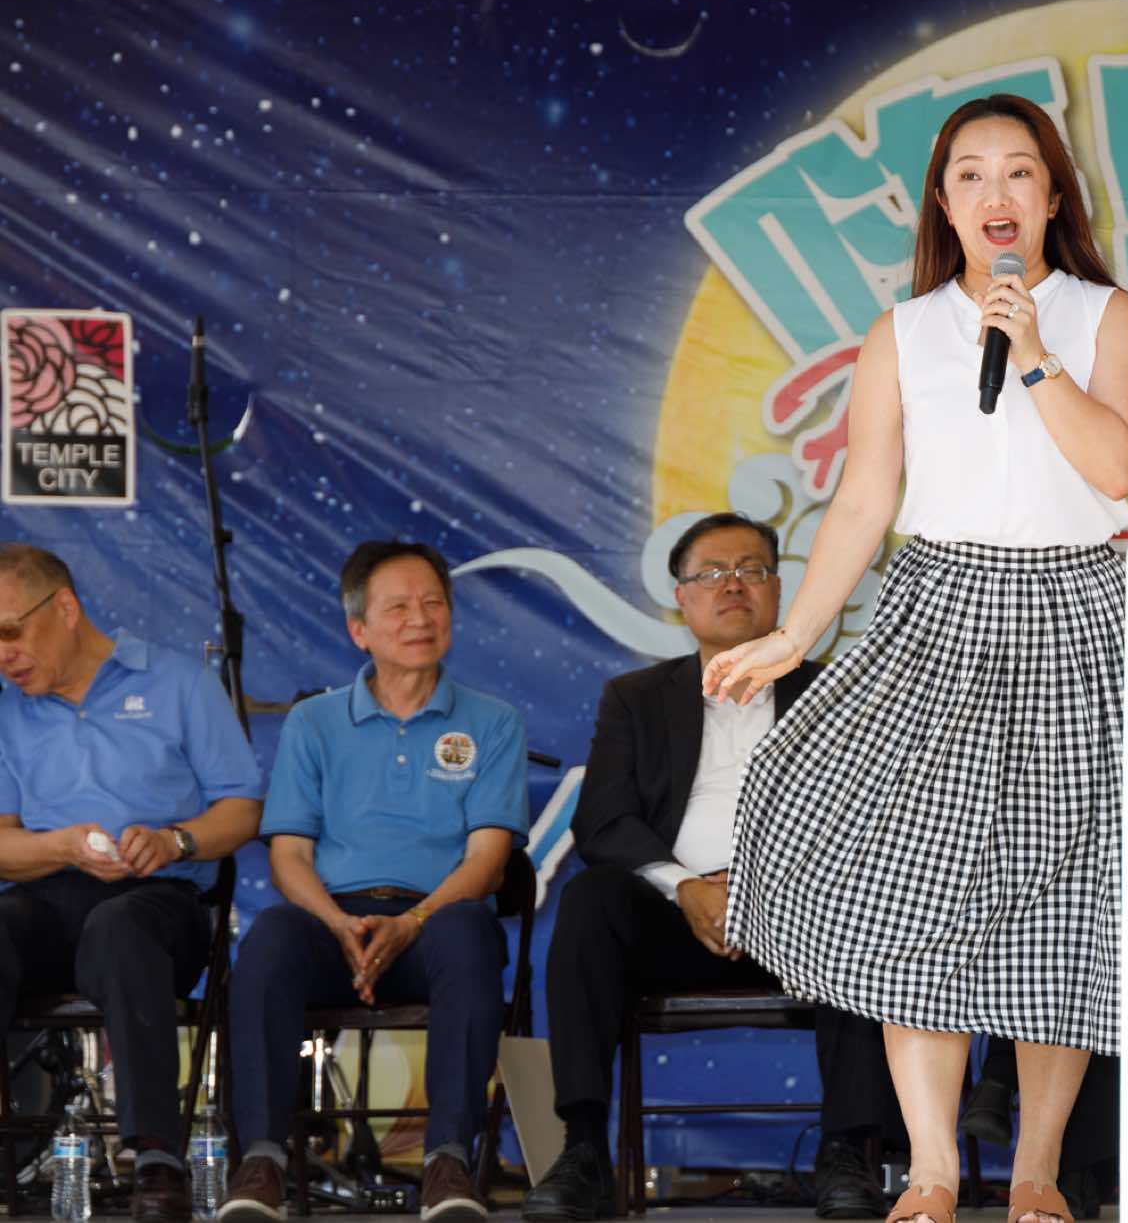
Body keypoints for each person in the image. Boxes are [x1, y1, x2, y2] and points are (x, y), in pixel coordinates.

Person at [702, 92, 1128, 1223]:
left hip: (1071, 612)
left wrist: (1035, 357)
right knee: (908, 893)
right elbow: (864, 497)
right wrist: (794, 634)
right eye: (970, 174)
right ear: (943, 202)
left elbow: (1116, 469)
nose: (994, 193)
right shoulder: (903, 332)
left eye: (1019, 172)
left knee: (1062, 904)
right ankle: (930, 1171)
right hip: (939, 611)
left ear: (1052, 198)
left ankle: (1036, 1173)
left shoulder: (1105, 315)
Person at [523, 512, 905, 1222]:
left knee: (863, 906)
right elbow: (602, 821)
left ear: (779, 589)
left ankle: (848, 1149)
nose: (733, 584)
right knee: (590, 899)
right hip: (674, 919)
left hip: (805, 918)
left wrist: (763, 888)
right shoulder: (636, 698)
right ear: (681, 597)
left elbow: (870, 820)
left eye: (751, 569)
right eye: (712, 573)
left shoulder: (836, 695)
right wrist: (687, 888)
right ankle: (583, 1148)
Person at [220, 542, 529, 1223]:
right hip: (335, 924)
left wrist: (411, 924)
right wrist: (337, 924)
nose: (421, 618)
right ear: (358, 629)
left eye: (434, 603)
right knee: (270, 939)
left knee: (469, 934)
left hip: (436, 920)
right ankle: (262, 1161)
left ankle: (448, 1162)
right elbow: (289, 855)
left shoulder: (493, 722)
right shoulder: (314, 722)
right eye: (399, 607)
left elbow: (487, 862)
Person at [0, 544, 266, 1223]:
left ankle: (155, 1158)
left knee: (120, 929)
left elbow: (243, 808)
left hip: (159, 898)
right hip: (48, 896)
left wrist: (177, 839)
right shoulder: (6, 710)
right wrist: (60, 845)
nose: (4, 655)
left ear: (65, 607)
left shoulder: (178, 682)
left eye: (10, 631)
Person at [959, 709, 1128, 1218]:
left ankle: (1013, 1091)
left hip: (1123, 913)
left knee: (1103, 939)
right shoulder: (1013, 711)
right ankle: (1060, 1165)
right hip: (1018, 916)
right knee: (1052, 931)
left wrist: (1116, 884)